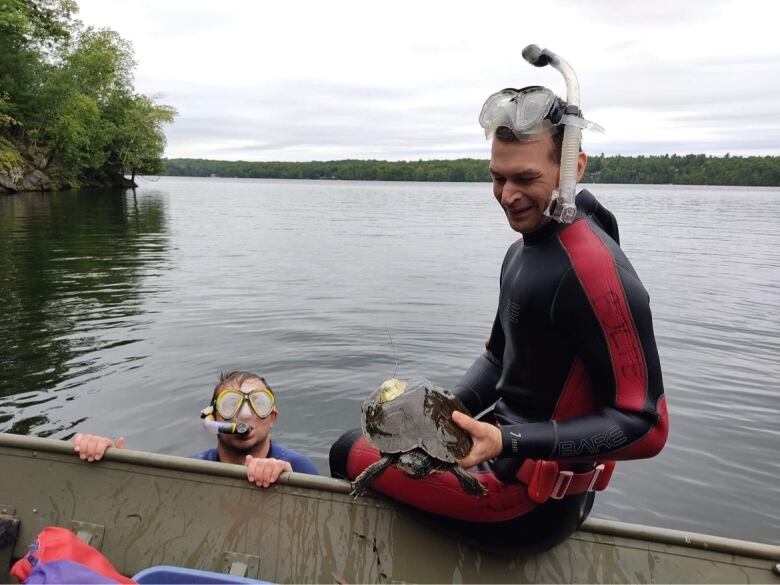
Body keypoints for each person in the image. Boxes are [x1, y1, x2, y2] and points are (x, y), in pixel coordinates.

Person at [331, 81, 668, 551]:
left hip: (525, 505)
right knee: (390, 437)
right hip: (506, 461)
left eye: (525, 179)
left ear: (574, 166)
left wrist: (508, 442)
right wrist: (434, 413)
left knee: (347, 450)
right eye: (497, 177)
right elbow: (496, 359)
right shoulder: (522, 252)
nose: (507, 196)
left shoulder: (594, 272)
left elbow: (647, 427)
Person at [74, 371, 318, 487]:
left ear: (272, 417)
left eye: (259, 403)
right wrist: (111, 467)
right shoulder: (191, 471)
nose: (246, 414)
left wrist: (289, 481)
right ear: (212, 418)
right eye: (231, 404)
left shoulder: (299, 468)